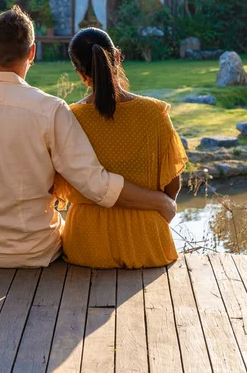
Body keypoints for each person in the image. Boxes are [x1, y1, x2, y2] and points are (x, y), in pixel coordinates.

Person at [0, 6, 177, 268]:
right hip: (31, 251)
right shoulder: (49, 110)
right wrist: (160, 202)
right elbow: (95, 184)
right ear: (32, 52)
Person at [54, 27, 187, 269]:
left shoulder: (70, 117)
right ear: (116, 57)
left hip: (86, 245)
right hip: (147, 243)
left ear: (81, 74)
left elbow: (61, 186)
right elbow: (172, 183)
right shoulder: (154, 113)